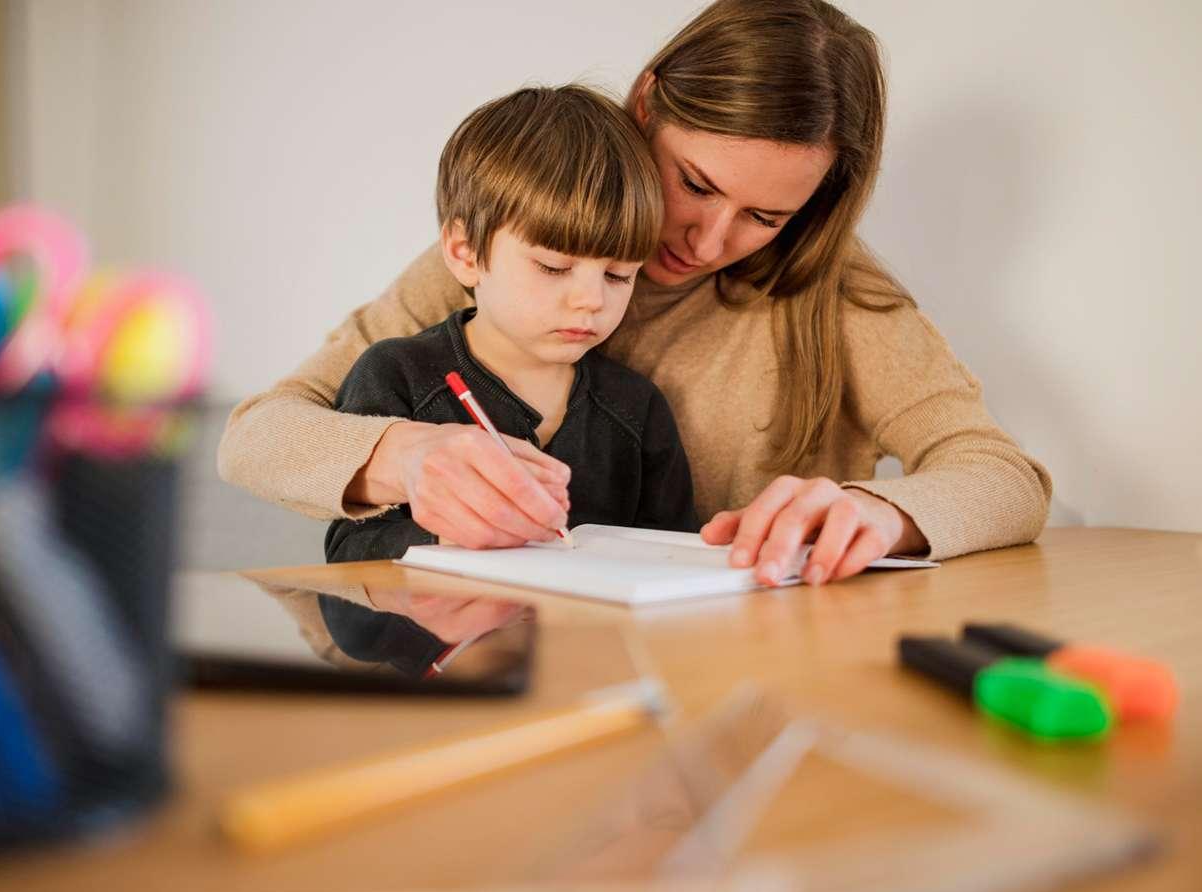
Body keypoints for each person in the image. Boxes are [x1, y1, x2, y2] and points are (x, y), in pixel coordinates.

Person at [218, 0, 1052, 586]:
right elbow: (256, 436)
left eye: (764, 215)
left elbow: (1004, 478)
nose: (707, 239)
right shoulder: (515, 246)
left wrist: (878, 512)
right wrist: (405, 457)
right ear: (648, 102)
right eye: (693, 182)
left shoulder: (833, 299)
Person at [323, 85, 698, 563]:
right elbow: (349, 555)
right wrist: (451, 541)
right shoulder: (396, 376)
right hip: (446, 635)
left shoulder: (638, 408)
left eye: (619, 274)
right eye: (553, 267)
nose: (591, 300)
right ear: (465, 253)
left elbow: (674, 557)